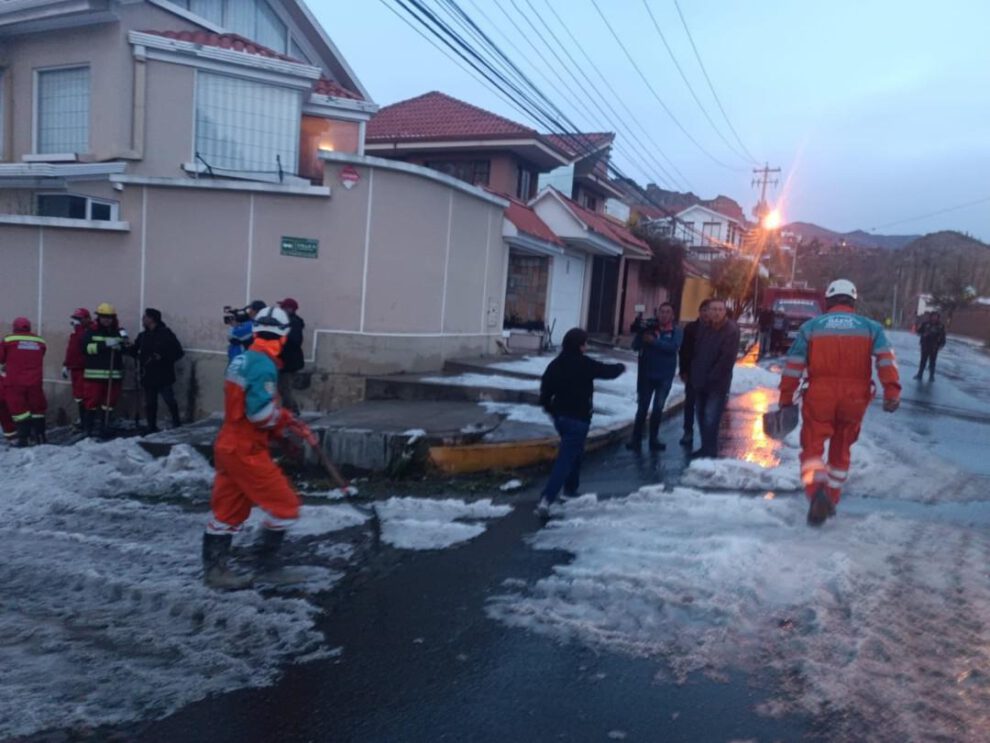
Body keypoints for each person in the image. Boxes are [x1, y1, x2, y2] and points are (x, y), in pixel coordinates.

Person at [203, 305, 319, 589]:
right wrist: (285, 423)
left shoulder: (242, 360)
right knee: (286, 507)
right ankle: (265, 566)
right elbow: (260, 415)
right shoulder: (264, 365)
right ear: (283, 336)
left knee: (226, 513)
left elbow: (246, 405)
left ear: (255, 331)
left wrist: (287, 423)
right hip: (246, 450)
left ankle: (215, 572)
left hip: (228, 445)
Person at [779, 279, 901, 526]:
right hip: (855, 397)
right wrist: (892, 391)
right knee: (842, 448)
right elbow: (886, 360)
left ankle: (817, 491)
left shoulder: (812, 327)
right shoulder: (871, 327)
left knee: (812, 447)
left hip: (820, 394)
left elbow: (793, 367)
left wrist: (785, 399)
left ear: (829, 300)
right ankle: (831, 497)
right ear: (853, 301)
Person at [536, 328, 625, 518]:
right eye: (585, 342)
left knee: (575, 453)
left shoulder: (556, 364)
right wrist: (620, 367)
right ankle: (547, 499)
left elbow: (545, 393)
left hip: (561, 418)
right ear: (579, 345)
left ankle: (570, 490)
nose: (587, 346)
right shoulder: (584, 364)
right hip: (578, 419)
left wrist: (552, 411)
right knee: (566, 459)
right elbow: (606, 371)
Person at [689, 299, 740, 459]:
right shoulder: (704, 328)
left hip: (717, 383)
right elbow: (697, 353)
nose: (717, 312)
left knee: (711, 416)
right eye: (713, 309)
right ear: (708, 312)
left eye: (720, 309)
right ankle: (705, 447)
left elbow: (727, 358)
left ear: (725, 311)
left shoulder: (731, 330)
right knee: (701, 415)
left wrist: (712, 377)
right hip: (699, 379)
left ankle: (710, 451)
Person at [627, 302, 682, 452]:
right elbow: (635, 347)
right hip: (646, 375)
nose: (664, 315)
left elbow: (672, 348)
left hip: (664, 376)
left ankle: (654, 439)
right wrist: (641, 335)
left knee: (658, 408)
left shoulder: (676, 331)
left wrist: (654, 341)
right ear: (658, 314)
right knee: (642, 408)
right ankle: (636, 439)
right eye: (661, 312)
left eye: (667, 312)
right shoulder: (650, 328)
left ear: (672, 315)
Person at [129, 308, 185, 433]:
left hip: (163, 374)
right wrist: (125, 347)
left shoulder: (166, 333)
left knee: (169, 400)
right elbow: (134, 351)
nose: (143, 319)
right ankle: (151, 426)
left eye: (145, 317)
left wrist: (163, 357)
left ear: (152, 319)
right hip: (148, 375)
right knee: (150, 403)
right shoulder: (143, 336)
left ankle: (177, 422)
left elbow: (178, 352)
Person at [82, 303, 129, 438]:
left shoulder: (119, 332)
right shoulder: (91, 332)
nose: (107, 320)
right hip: (94, 375)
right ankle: (88, 429)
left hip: (113, 376)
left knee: (109, 404)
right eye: (104, 317)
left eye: (109, 317)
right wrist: (106, 345)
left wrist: (124, 346)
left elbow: (126, 348)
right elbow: (86, 349)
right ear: (98, 317)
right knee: (91, 403)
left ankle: (105, 427)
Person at [0, 317, 47, 446]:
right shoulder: (40, 341)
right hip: (35, 381)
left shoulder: (8, 340)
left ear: (15, 327)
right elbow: (40, 355)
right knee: (37, 409)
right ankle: (40, 437)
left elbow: (1, 358)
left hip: (15, 381)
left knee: (19, 410)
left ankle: (23, 439)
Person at [678, 299, 710, 447]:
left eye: (708, 310)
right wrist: (683, 370)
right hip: (692, 372)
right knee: (690, 404)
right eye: (703, 310)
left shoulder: (716, 329)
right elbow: (683, 351)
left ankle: (706, 435)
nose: (706, 313)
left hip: (709, 375)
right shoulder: (691, 328)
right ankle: (688, 432)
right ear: (699, 312)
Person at [62, 307, 92, 429]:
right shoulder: (75, 334)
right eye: (74, 319)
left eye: (78, 319)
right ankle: (83, 419)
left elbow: (81, 348)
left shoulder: (87, 331)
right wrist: (65, 365)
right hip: (75, 368)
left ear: (86, 319)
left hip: (84, 368)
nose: (75, 322)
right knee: (79, 396)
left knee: (85, 395)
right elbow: (71, 352)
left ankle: (86, 421)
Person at [277, 297, 305, 413]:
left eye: (283, 307)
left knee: (285, 388)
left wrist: (283, 336)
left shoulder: (294, 323)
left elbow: (295, 341)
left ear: (290, 309)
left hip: (289, 362)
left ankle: (290, 411)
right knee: (283, 388)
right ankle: (290, 410)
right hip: (285, 361)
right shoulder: (288, 322)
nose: (281, 309)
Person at [914, 311, 946, 381]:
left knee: (932, 361)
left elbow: (943, 336)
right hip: (925, 345)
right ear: (930, 317)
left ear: (938, 317)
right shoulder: (925, 324)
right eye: (933, 316)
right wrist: (923, 333)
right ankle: (920, 374)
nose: (934, 318)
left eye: (936, 316)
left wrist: (942, 344)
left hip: (934, 346)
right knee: (923, 361)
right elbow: (919, 332)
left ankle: (931, 376)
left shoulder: (940, 326)